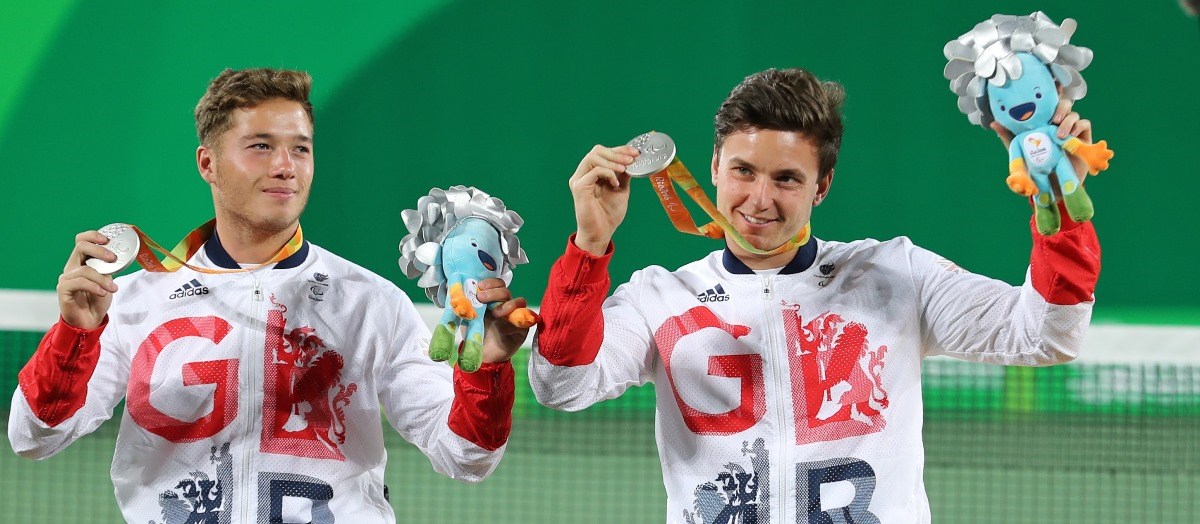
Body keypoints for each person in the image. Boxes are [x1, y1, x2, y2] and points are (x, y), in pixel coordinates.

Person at [528, 68, 1100, 523]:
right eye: (743, 171)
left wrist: (1056, 199)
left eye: (786, 179)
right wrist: (589, 246)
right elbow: (561, 385)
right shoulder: (660, 297)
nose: (758, 199)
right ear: (714, 168)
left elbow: (1046, 334)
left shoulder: (894, 275)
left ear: (821, 186)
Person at [8, 68, 531, 523]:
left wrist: (484, 371)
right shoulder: (132, 301)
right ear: (207, 163)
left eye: (300, 148)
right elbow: (35, 438)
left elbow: (466, 457)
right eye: (260, 146)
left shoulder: (372, 302)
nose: (286, 165)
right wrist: (75, 335)